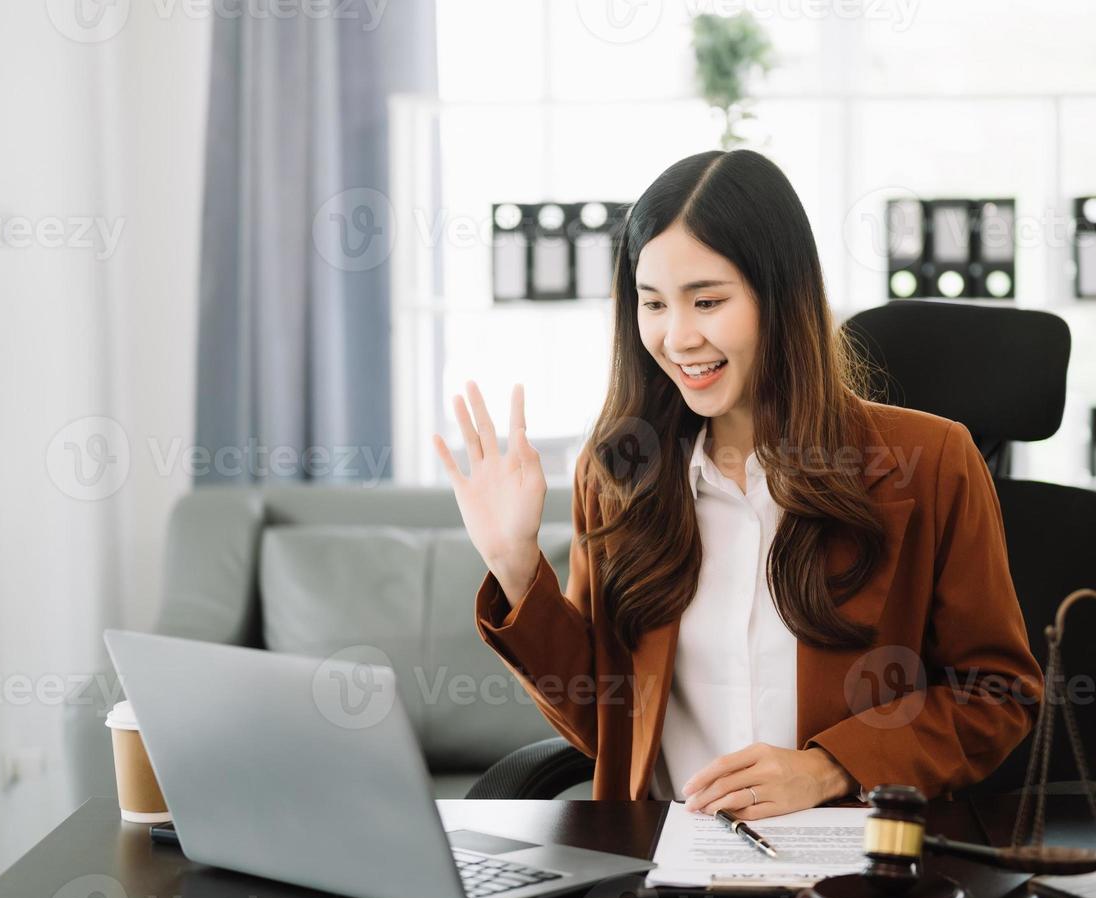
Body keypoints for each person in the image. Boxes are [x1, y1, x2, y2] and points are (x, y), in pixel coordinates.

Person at [433, 149, 1042, 817]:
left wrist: (830, 767)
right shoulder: (617, 473)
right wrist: (514, 566)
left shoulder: (932, 462)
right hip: (662, 867)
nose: (676, 336)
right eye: (652, 304)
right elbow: (605, 725)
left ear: (781, 297)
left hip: (848, 876)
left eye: (707, 301)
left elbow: (997, 693)